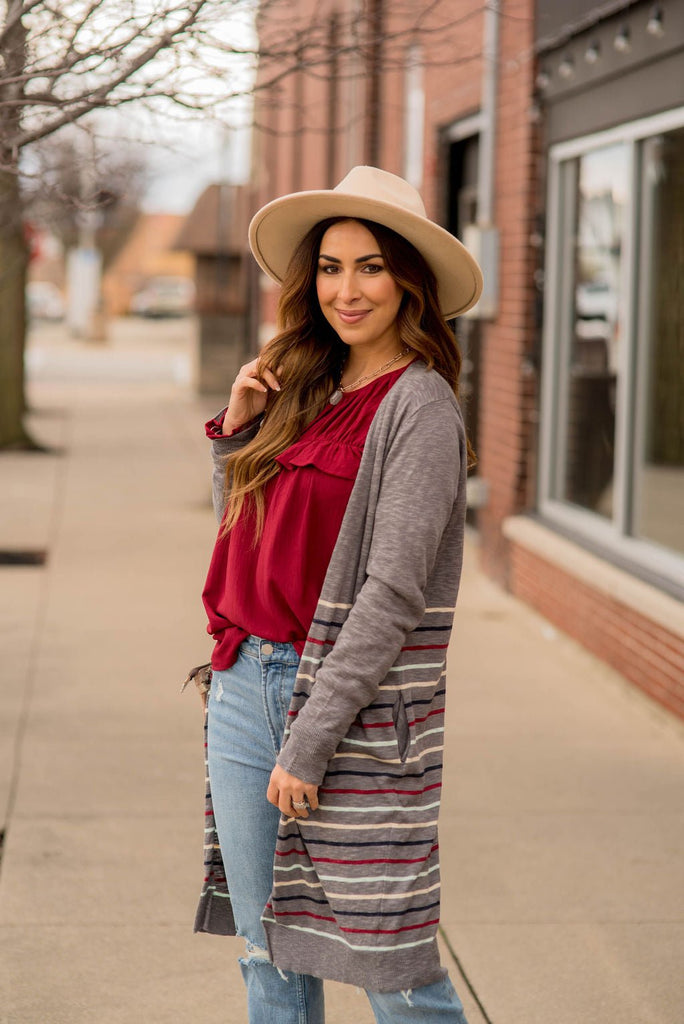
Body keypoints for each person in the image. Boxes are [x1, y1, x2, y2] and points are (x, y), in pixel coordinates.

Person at [193, 165, 482, 1024]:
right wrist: (239, 435)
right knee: (267, 952)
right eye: (328, 267)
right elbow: (246, 543)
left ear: (409, 282)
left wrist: (310, 742)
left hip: (346, 708)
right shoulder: (308, 386)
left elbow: (393, 595)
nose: (345, 289)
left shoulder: (420, 407)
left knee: (391, 970)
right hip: (248, 685)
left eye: (369, 267)